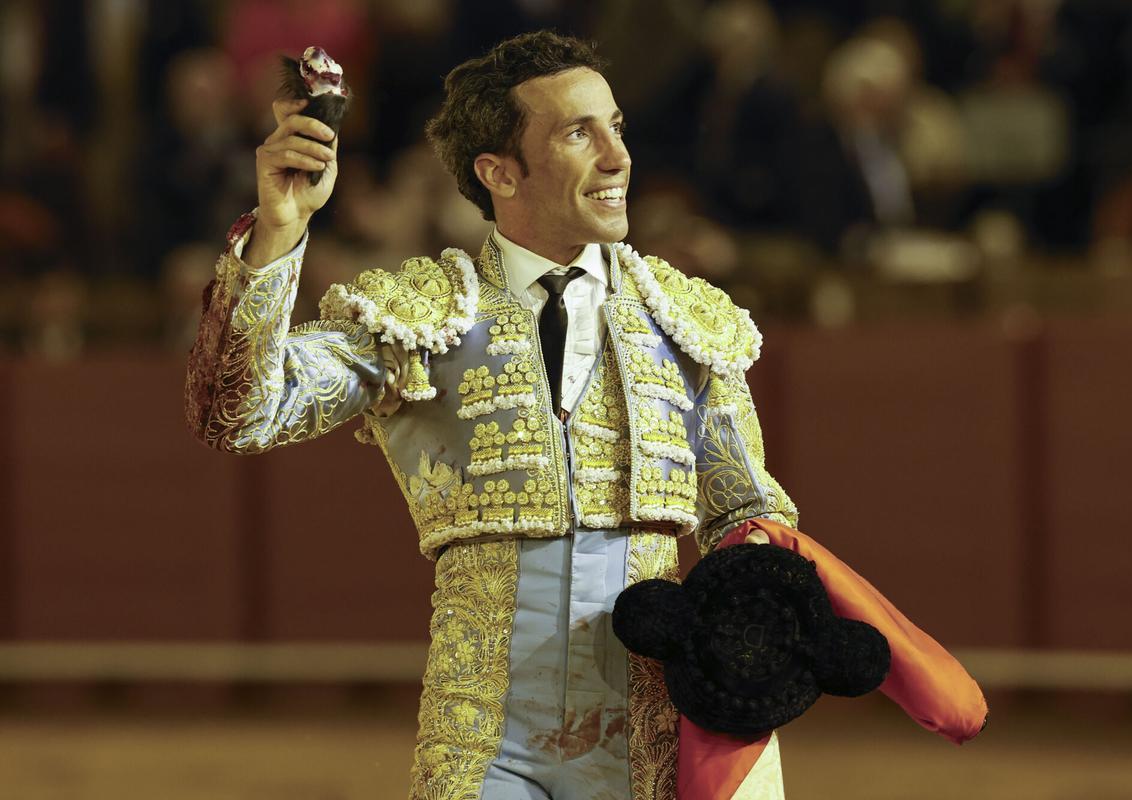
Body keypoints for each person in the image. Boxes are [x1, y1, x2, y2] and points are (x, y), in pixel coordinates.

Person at [186, 31, 796, 799]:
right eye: (580, 133)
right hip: (483, 747)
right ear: (498, 172)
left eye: (618, 128)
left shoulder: (685, 322)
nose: (617, 157)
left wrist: (758, 630)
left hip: (654, 745)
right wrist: (280, 228)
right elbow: (237, 414)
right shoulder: (422, 317)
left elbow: (745, 514)